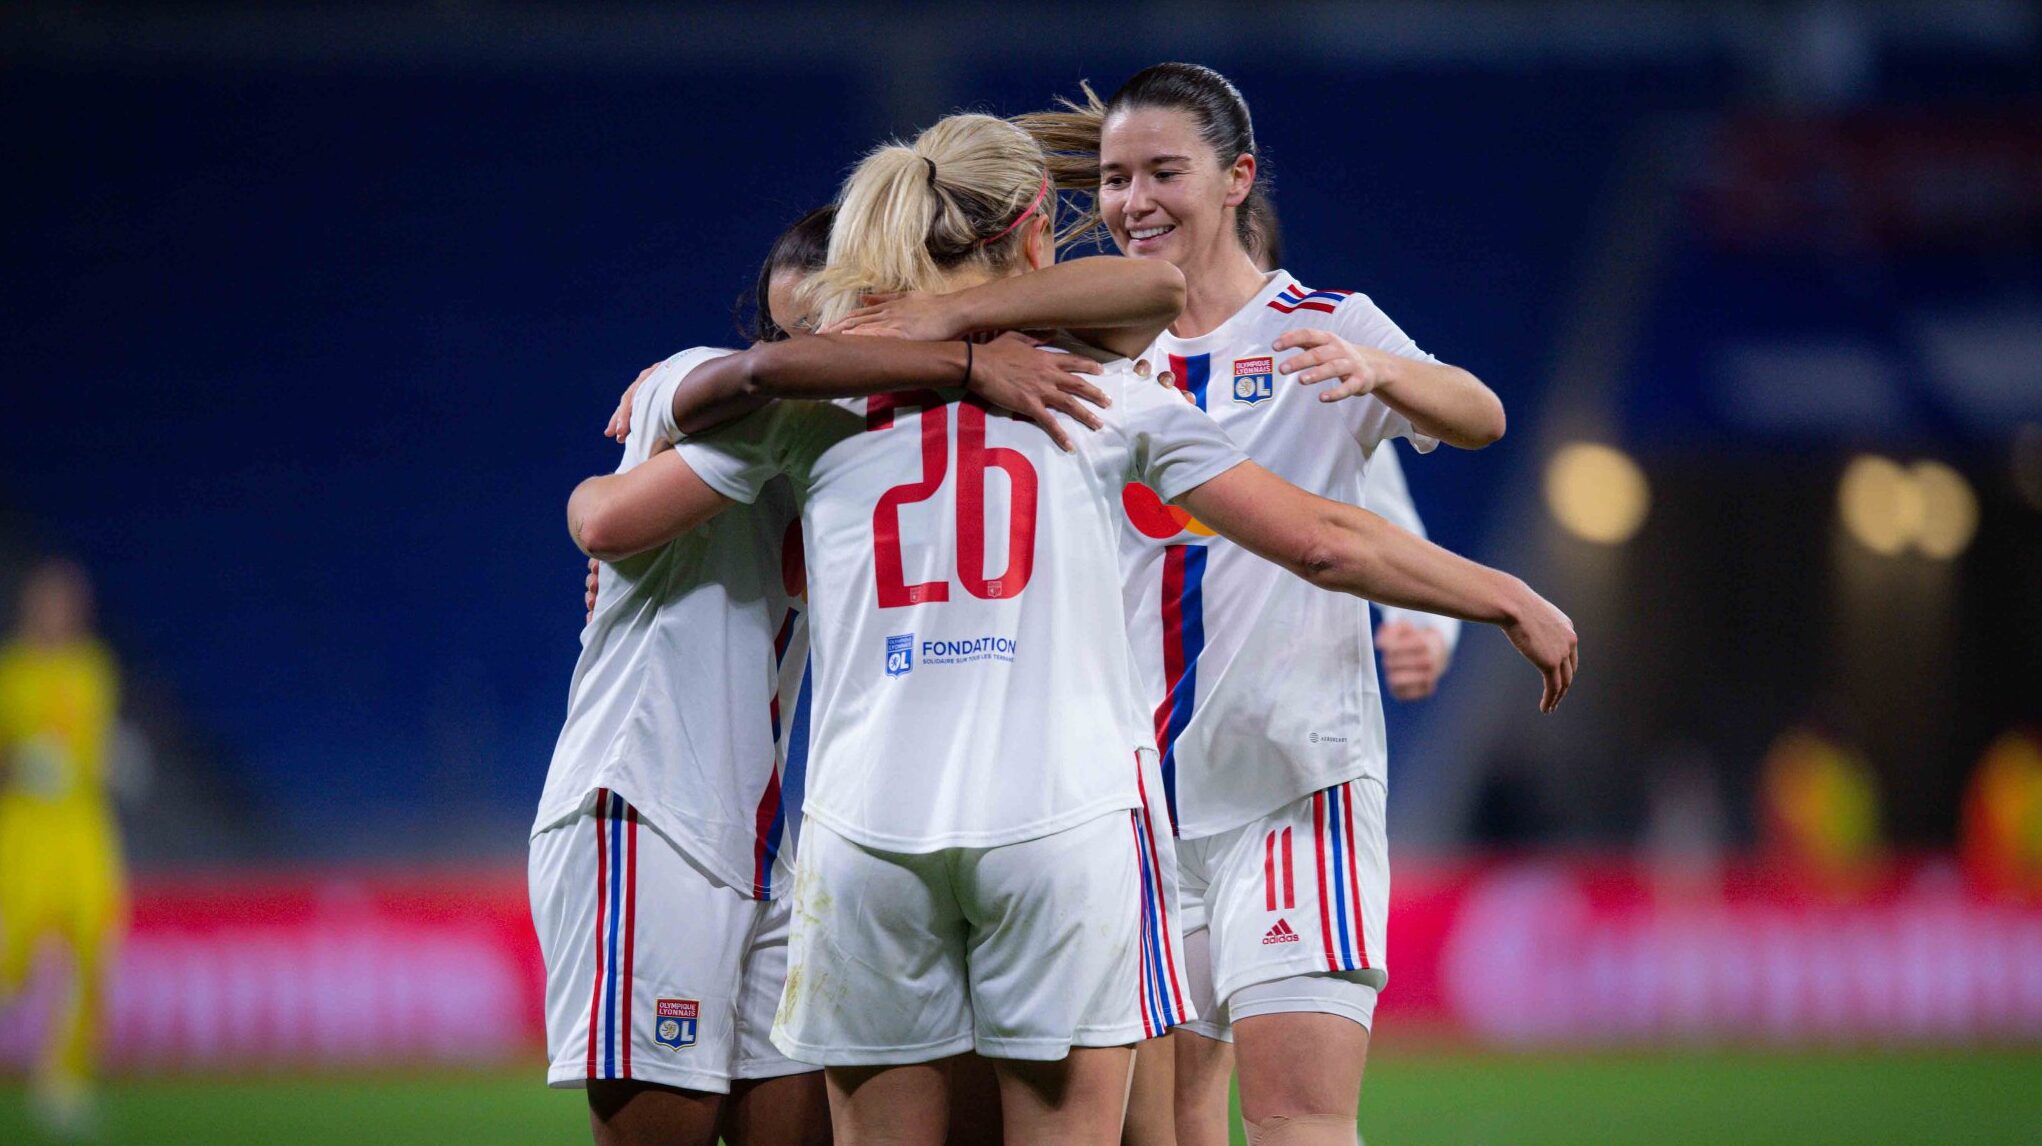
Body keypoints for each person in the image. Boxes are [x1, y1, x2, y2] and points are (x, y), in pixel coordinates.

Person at [565, 112, 1575, 1146]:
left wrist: (691, 399)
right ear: (1037, 226)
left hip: (865, 828)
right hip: (1059, 820)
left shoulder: (816, 402)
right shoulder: (1099, 394)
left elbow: (601, 517)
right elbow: (1319, 539)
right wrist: (1504, 596)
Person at [976, 63, 1510, 1145]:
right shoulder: (1081, 350)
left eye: (1163, 171)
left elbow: (1479, 414)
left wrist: (1380, 372)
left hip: (1289, 783)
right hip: (1127, 798)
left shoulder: (1320, 325)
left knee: (1296, 1119)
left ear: (1236, 179)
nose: (1132, 201)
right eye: (1117, 177)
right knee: (1163, 1126)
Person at [541, 206, 1123, 1146]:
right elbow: (603, 522)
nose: (810, 347)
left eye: (833, 324)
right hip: (647, 807)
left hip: (764, 839)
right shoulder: (709, 387)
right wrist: (968, 363)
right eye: (789, 327)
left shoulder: (858, 440)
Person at [0, 560, 125, 1139]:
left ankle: (64, 1079)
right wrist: (17, 765)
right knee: (14, 961)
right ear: (32, 607)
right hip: (23, 829)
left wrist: (117, 757)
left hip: (82, 827)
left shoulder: (95, 668)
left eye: (72, 604)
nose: (63, 614)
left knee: (93, 943)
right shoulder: (10, 674)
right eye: (53, 603)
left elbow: (95, 740)